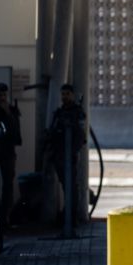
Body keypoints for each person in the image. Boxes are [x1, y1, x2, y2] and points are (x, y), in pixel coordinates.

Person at [46, 83, 87, 215]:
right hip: (59, 155)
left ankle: (71, 216)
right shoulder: (59, 113)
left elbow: (80, 137)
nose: (65, 97)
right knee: (65, 185)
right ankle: (67, 215)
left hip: (69, 156)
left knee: (71, 187)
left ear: (73, 95)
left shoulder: (77, 112)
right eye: (63, 94)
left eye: (67, 94)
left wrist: (71, 153)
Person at [0, 82, 22, 226]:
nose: (2, 97)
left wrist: (7, 113)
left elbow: (16, 129)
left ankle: (6, 215)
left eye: (4, 94)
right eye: (0, 94)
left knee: (8, 184)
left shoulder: (12, 110)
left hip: (8, 151)